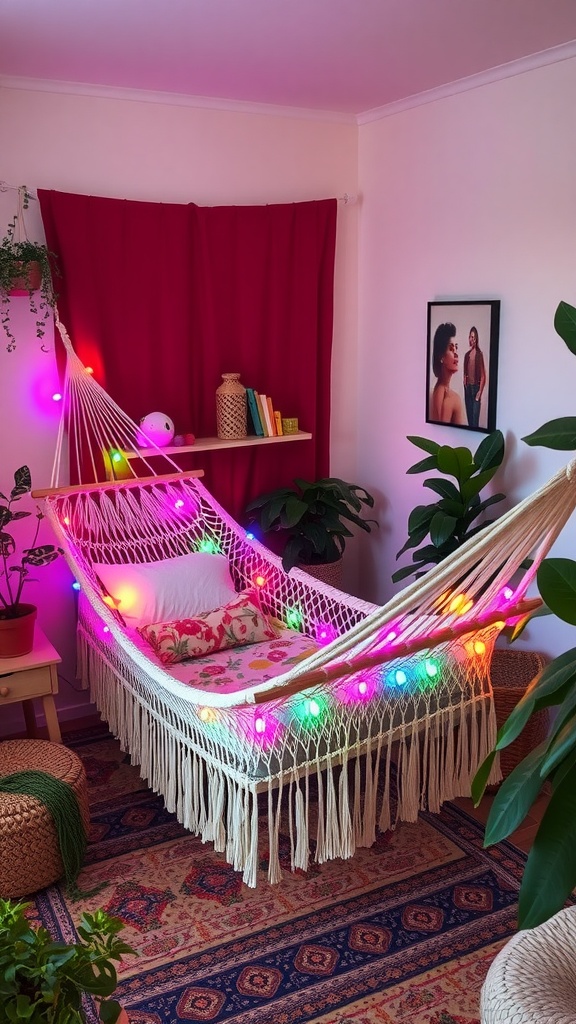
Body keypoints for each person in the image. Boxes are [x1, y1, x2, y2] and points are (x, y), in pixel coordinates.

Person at [429, 322, 466, 425]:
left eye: (456, 347)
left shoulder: (438, 390)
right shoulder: (451, 399)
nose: (456, 353)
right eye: (451, 348)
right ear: (441, 356)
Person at [463, 326, 486, 429]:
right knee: (469, 421)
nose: (471, 339)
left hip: (476, 389)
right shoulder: (466, 355)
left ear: (476, 339)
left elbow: (483, 376)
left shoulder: (479, 355)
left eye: (473, 337)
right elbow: (465, 373)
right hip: (468, 389)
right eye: (470, 337)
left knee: (475, 422)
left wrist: (479, 392)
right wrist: (465, 383)